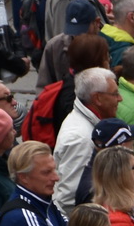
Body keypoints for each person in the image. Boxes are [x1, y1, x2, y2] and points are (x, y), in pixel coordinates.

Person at [52, 68, 121, 215]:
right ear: (97, 98)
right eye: (115, 94)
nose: (120, 98)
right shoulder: (81, 139)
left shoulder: (86, 124)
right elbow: (70, 199)